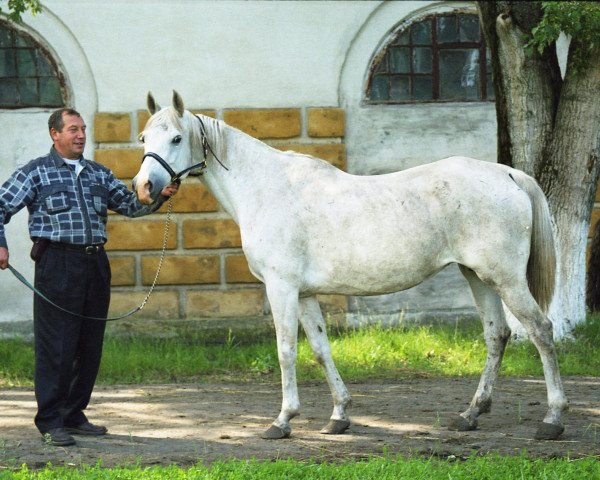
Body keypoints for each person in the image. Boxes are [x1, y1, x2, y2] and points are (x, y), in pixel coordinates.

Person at [0, 108, 178, 446]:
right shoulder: (35, 173)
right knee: (57, 345)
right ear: (55, 134)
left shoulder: (98, 173)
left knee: (89, 344)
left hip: (96, 264)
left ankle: (73, 413)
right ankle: (51, 420)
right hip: (57, 264)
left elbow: (129, 204)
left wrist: (156, 197)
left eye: (82, 129)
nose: (80, 135)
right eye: (72, 129)